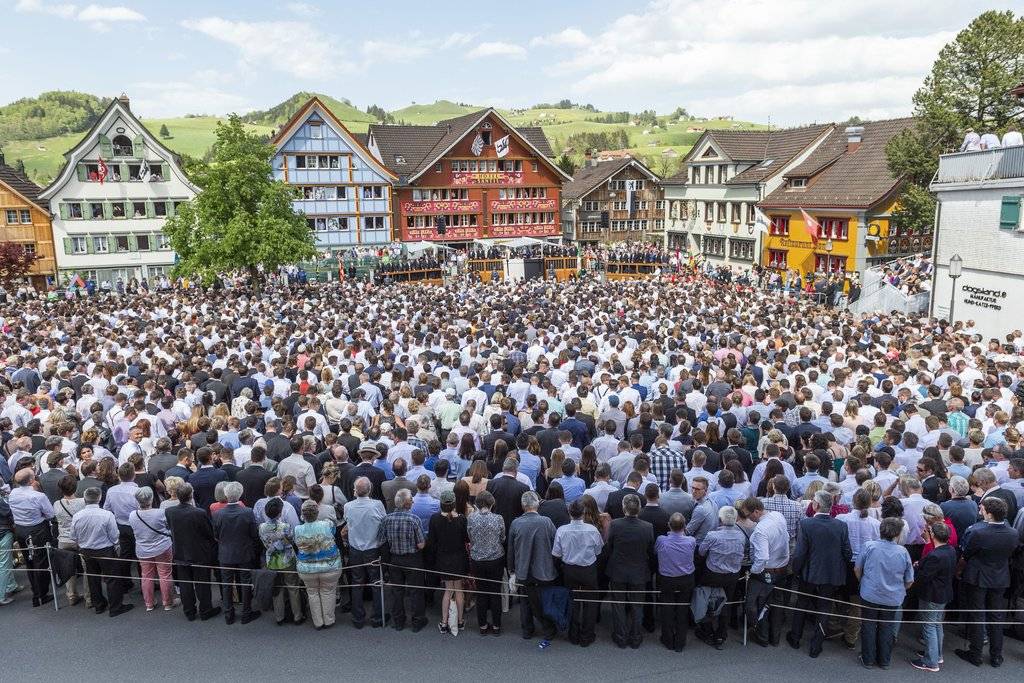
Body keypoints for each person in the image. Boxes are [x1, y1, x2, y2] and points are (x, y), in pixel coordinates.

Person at [954, 496, 1019, 668]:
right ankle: (996, 656)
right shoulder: (1013, 533)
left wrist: (959, 571)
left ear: (989, 514)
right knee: (996, 617)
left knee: (977, 615)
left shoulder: (977, 531)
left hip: (977, 577)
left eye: (982, 509)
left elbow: (966, 554)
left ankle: (975, 654)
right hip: (1000, 577)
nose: (980, 511)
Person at [787, 490, 852, 657]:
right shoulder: (840, 525)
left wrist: (796, 570)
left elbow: (800, 552)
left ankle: (795, 638)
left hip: (810, 573)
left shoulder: (806, 524)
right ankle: (816, 645)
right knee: (824, 608)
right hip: (831, 574)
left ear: (815, 505)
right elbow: (847, 552)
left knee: (802, 603)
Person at [855, 517, 914, 669]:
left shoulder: (869, 546)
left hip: (870, 593)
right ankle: (884, 660)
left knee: (868, 625)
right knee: (887, 627)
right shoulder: (903, 552)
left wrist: (863, 582)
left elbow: (857, 569)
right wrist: (901, 590)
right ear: (897, 534)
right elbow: (909, 580)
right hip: (892, 597)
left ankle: (868, 659)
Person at [71, 487, 133, 616]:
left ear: (85, 499)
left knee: (93, 578)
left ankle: (98, 605)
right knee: (112, 578)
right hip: (105, 550)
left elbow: (73, 535)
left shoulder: (77, 516)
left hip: (86, 550)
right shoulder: (107, 515)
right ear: (99, 498)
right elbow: (115, 535)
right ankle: (116, 607)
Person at [605, 493, 655, 649]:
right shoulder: (647, 527)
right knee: (637, 606)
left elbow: (609, 546)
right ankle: (635, 637)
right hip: (639, 572)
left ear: (623, 507)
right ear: (639, 509)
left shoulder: (615, 525)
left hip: (618, 571)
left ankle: (620, 637)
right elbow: (650, 549)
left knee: (618, 605)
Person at [164, 483, 220, 621]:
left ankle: (189, 611)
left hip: (180, 552)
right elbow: (209, 533)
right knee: (202, 583)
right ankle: (205, 610)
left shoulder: (170, 511)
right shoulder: (199, 513)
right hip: (199, 553)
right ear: (191, 495)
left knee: (185, 584)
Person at [552, 498, 604, 646]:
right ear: (583, 513)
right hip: (588, 569)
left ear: (569, 513)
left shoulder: (562, 530)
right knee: (590, 602)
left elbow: (556, 553)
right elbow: (598, 551)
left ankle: (573, 635)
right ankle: (587, 635)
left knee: (572, 601)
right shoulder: (592, 530)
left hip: (569, 570)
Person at [507, 490, 557, 643]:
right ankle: (548, 629)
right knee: (544, 600)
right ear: (537, 504)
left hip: (523, 569)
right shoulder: (547, 522)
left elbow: (511, 550)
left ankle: (527, 630)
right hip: (544, 568)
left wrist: (512, 570)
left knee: (525, 600)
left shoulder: (516, 523)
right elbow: (555, 543)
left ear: (523, 506)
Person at [211, 481, 261, 625]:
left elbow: (216, 535)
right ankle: (246, 612)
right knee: (245, 582)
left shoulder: (217, 514)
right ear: (240, 495)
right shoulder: (247, 512)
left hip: (225, 553)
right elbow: (254, 534)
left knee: (226, 584)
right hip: (244, 552)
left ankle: (229, 615)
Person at [379, 489, 428, 632]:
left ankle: (399, 621)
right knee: (415, 591)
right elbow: (421, 544)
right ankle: (417, 621)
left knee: (397, 591)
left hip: (394, 559)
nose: (413, 501)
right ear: (407, 504)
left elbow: (381, 541)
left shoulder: (386, 519)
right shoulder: (414, 519)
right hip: (412, 559)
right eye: (411, 499)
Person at [343, 477, 386, 629]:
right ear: (370, 489)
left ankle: (358, 618)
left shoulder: (348, 506)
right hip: (372, 548)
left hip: (355, 548)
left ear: (355, 491)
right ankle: (377, 618)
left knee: (357, 583)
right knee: (376, 582)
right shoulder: (377, 505)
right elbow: (384, 522)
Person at [8, 468, 55, 606]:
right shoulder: (37, 496)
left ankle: (36, 592)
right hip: (37, 530)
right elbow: (50, 514)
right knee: (40, 562)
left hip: (21, 530)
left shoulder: (13, 493)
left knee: (29, 562)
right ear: (30, 480)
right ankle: (41, 594)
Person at [913, 521, 955, 672]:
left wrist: (918, 569)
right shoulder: (950, 550)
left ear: (933, 535)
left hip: (932, 595)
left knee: (929, 626)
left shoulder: (935, 555)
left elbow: (924, 577)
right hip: (943, 594)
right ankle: (936, 655)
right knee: (937, 624)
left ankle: (931, 661)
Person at [295, 499, 342, 630]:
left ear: (302, 515)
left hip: (306, 568)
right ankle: (329, 619)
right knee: (328, 591)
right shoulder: (327, 525)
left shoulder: (297, 529)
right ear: (317, 512)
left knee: (312, 593)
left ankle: (318, 622)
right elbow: (333, 531)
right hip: (330, 567)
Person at [427, 489, 469, 635]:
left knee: (447, 590)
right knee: (459, 590)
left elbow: (432, 542)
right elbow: (466, 539)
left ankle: (444, 623)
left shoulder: (435, 519)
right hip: (459, 559)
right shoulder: (462, 519)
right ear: (454, 504)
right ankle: (460, 621)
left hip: (443, 559)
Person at [127, 486, 175, 612]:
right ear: (152, 498)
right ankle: (168, 602)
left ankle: (149, 603)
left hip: (143, 549)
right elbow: (167, 527)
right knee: (165, 574)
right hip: (162, 547)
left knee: (146, 575)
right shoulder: (160, 512)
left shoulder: (133, 515)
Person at [258, 497, 304, 626]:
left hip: (272, 561)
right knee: (293, 587)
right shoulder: (285, 527)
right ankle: (297, 616)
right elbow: (292, 541)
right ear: (279, 512)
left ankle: (279, 617)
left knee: (277, 589)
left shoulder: (262, 527)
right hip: (287, 560)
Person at [655, 511, 696, 651]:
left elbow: (656, 552)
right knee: (682, 609)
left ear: (669, 525)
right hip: (686, 579)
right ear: (684, 526)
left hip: (667, 579)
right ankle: (680, 641)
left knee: (667, 608)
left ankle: (667, 639)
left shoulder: (661, 540)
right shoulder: (691, 541)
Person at [466, 490, 505, 635]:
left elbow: (470, 538)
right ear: (491, 503)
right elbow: (502, 538)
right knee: (495, 592)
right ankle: (496, 626)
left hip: (478, 559)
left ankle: (482, 626)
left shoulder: (471, 518)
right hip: (495, 559)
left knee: (481, 592)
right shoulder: (498, 518)